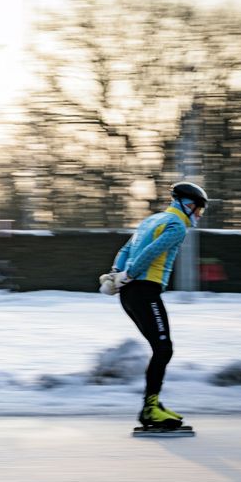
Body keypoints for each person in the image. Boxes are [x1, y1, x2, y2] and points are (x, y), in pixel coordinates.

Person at [99, 181, 208, 429]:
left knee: (161, 349)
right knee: (163, 349)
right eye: (199, 209)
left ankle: (152, 405)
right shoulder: (176, 225)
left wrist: (115, 274)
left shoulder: (152, 220)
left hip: (130, 293)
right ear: (188, 205)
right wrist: (129, 275)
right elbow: (150, 252)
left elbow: (126, 249)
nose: (199, 215)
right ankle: (150, 409)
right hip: (144, 290)